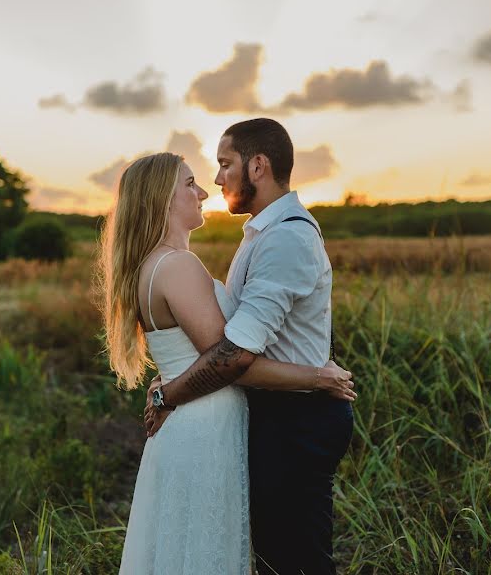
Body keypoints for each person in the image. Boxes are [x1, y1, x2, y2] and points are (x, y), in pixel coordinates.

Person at [96, 150, 355, 574]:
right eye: (189, 183)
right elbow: (230, 362)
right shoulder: (179, 266)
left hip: (189, 422)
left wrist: (166, 388)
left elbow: (192, 354)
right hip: (205, 424)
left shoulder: (153, 266)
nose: (202, 192)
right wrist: (318, 377)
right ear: (161, 198)